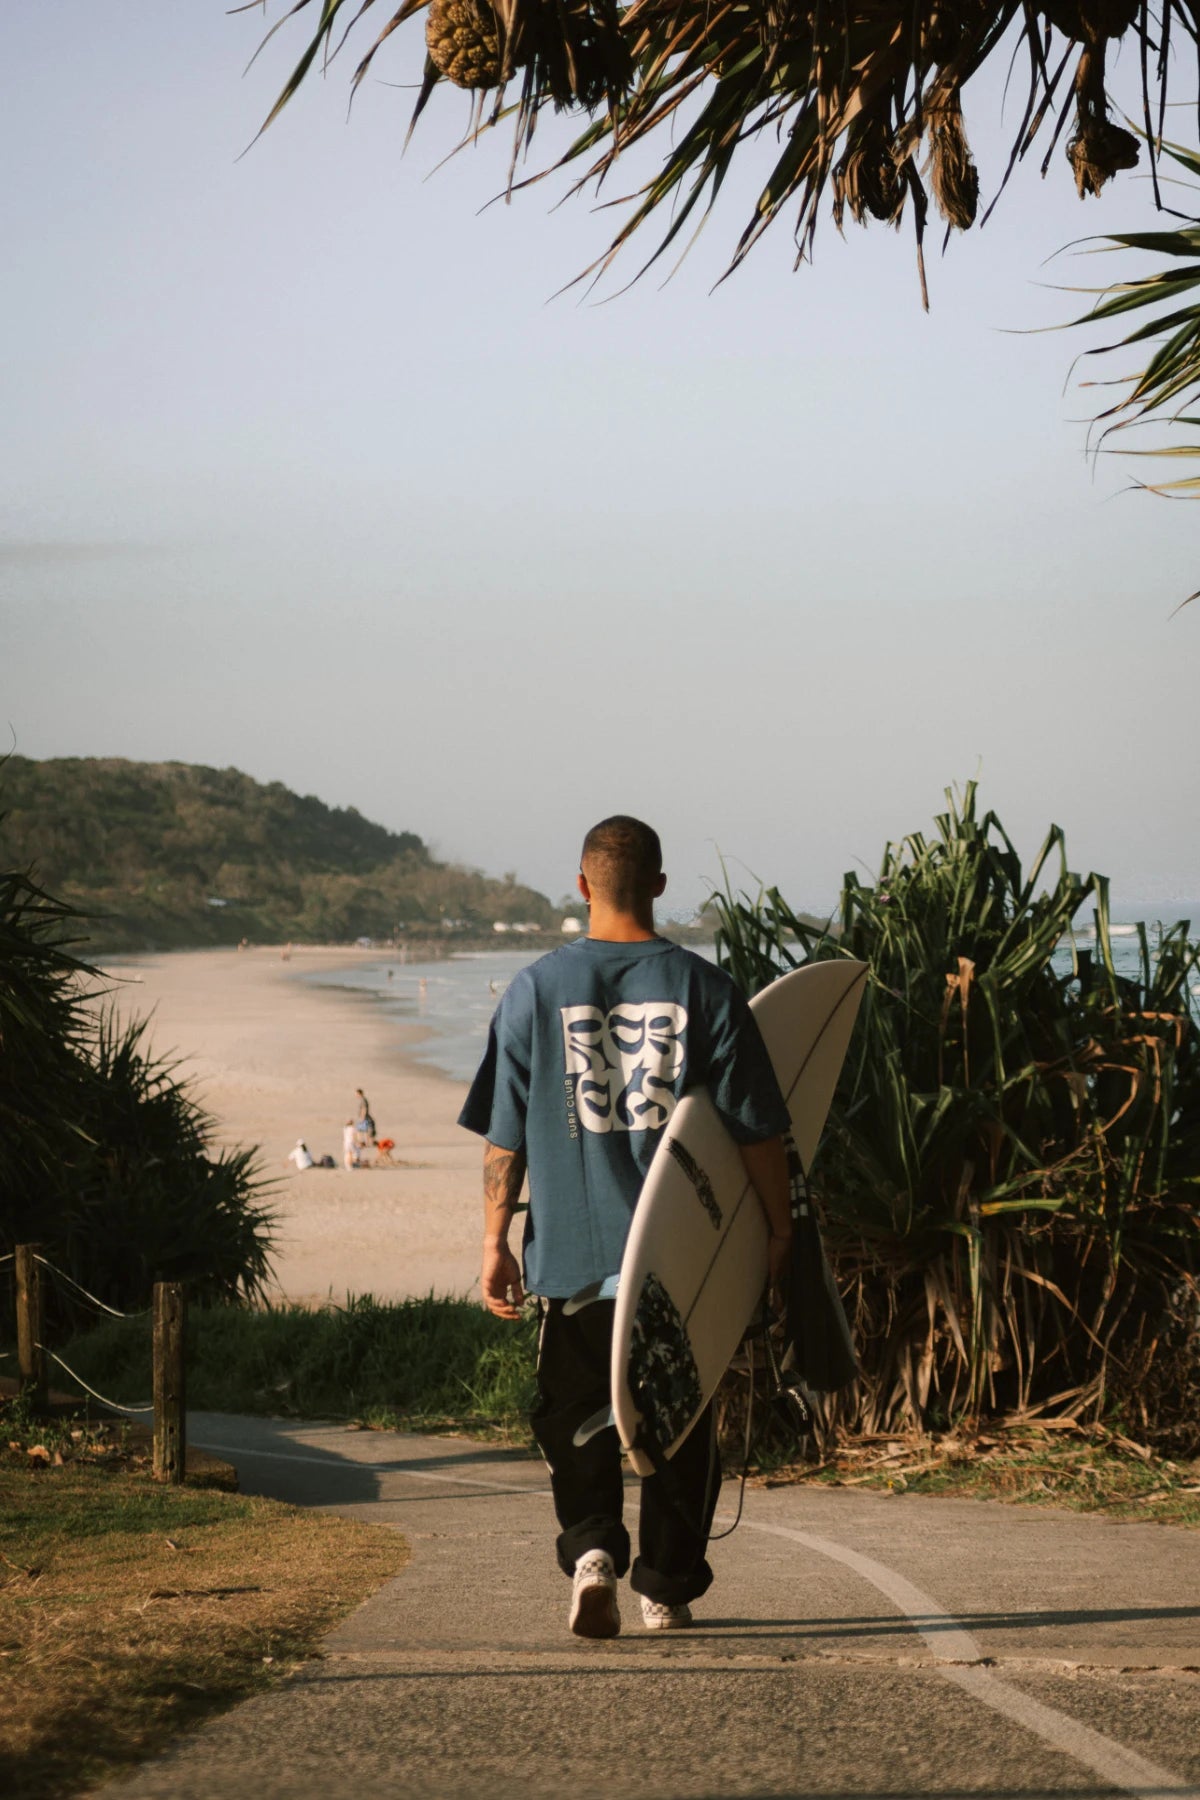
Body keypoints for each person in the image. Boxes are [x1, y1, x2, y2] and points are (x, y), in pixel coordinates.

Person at [459, 815, 792, 1641]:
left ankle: (593, 1555)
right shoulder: (704, 990)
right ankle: (666, 1588)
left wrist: (494, 1241)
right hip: (678, 1259)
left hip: (573, 1256)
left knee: (573, 1412)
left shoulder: (533, 992)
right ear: (661, 885)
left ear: (581, 887)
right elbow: (756, 1135)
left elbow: (506, 1140)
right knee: (678, 1420)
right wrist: (776, 1234)